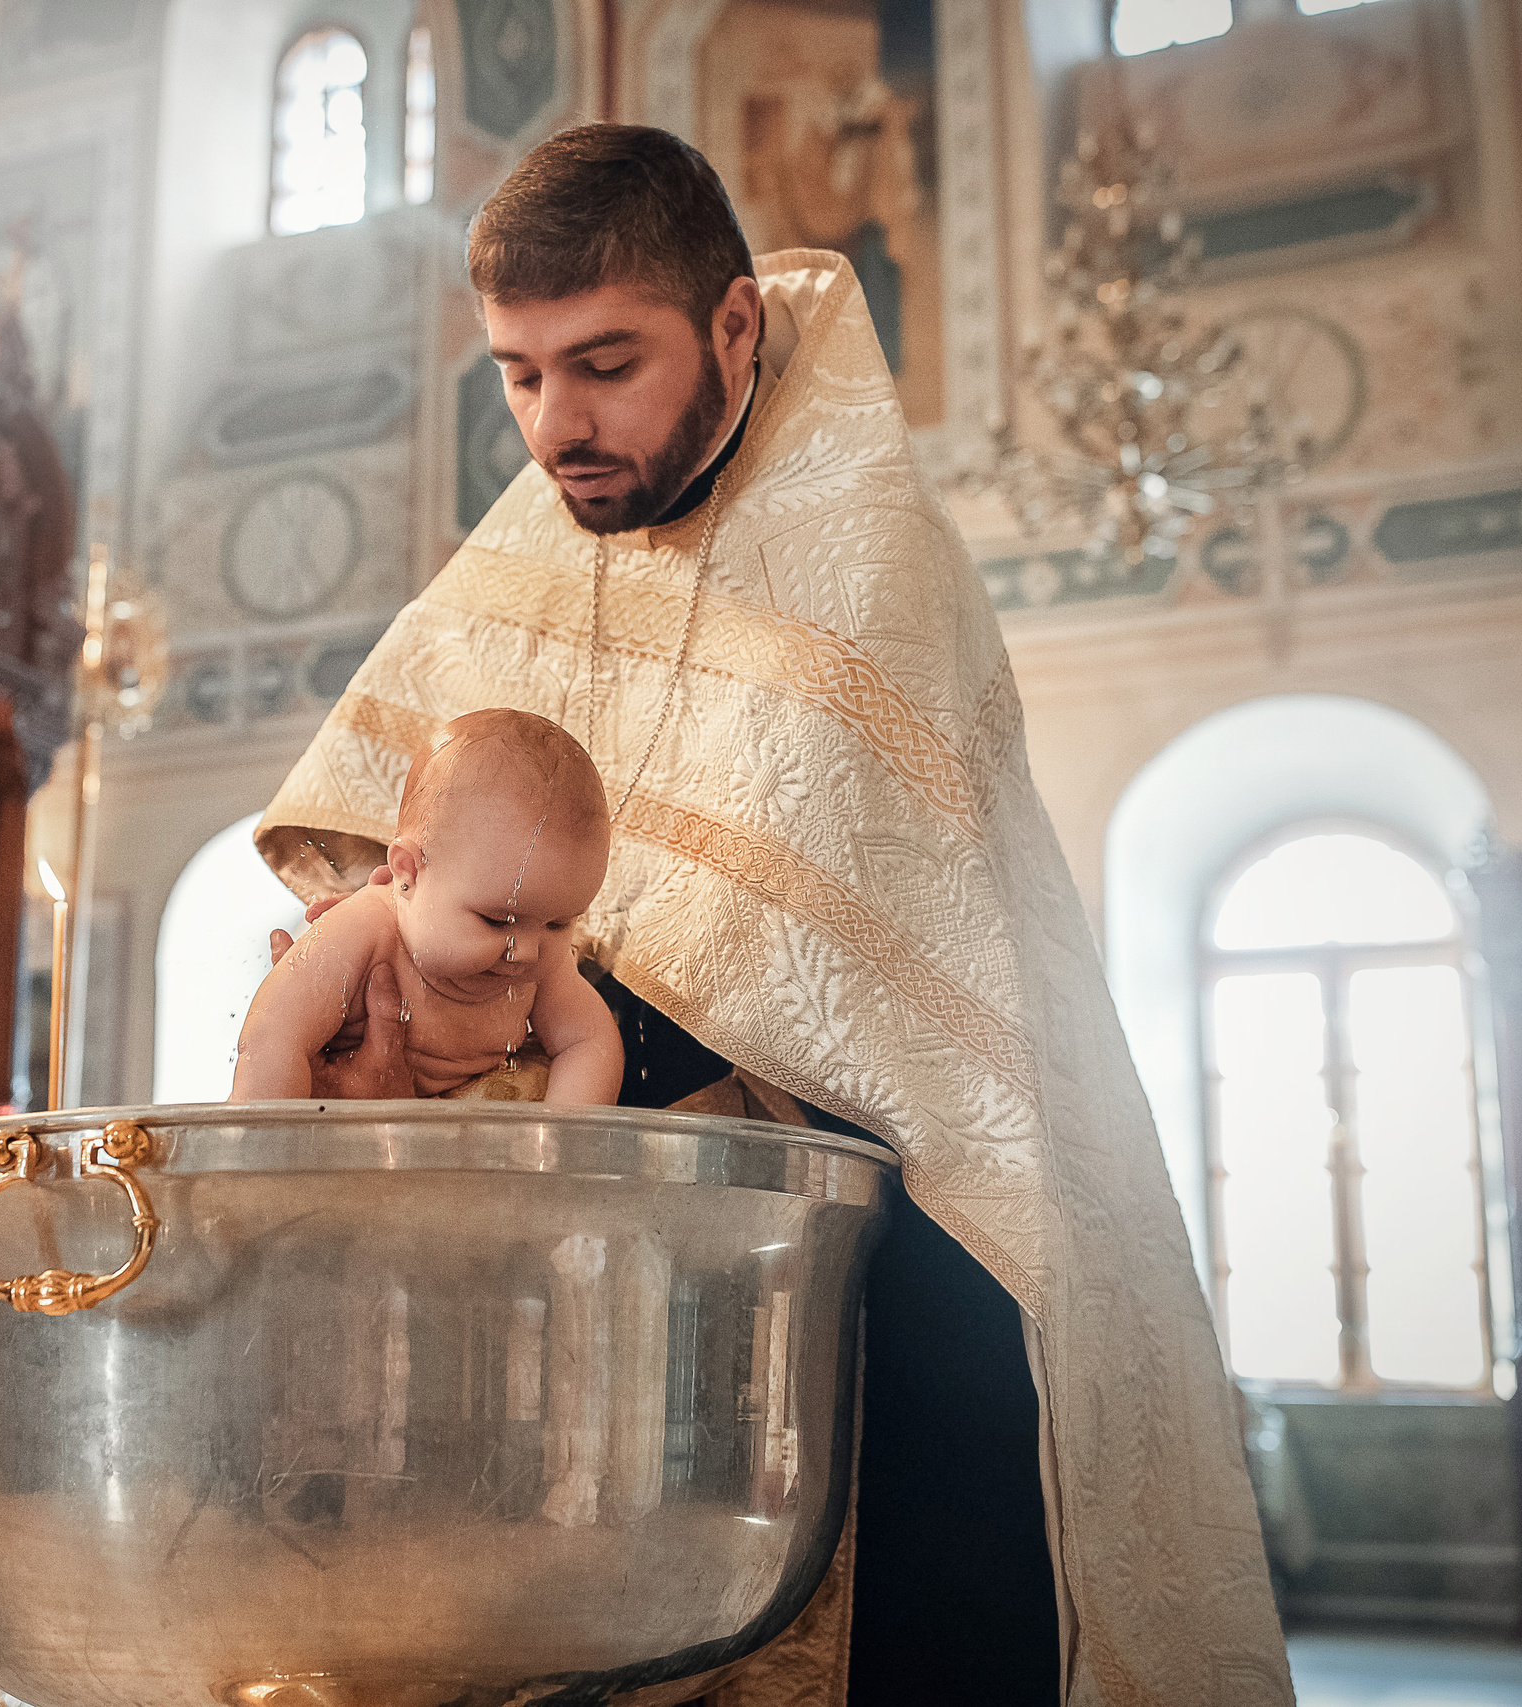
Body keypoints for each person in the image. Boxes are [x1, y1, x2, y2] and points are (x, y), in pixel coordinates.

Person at [255, 125, 1288, 1705]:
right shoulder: (536, 536)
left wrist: (512, 1024)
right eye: (520, 376)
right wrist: (372, 971)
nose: (558, 427)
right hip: (565, 1265)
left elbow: (802, 975)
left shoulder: (867, 567)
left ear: (735, 326)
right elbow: (382, 832)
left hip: (874, 1280)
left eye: (605, 363)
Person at [233, 709, 620, 1104]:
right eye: (496, 920)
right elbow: (273, 1033)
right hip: (331, 1124)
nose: (526, 950)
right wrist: (267, 1145)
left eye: (559, 924)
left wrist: (560, 1142)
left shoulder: (541, 964)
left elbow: (590, 1041)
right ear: (409, 871)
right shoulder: (362, 932)